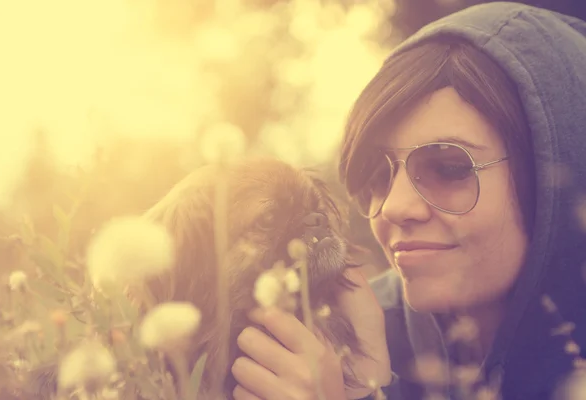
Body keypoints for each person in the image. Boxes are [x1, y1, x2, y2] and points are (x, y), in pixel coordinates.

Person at [230, 2, 586, 399]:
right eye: (379, 175)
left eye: (450, 168)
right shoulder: (307, 349)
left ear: (561, 172)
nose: (395, 207)